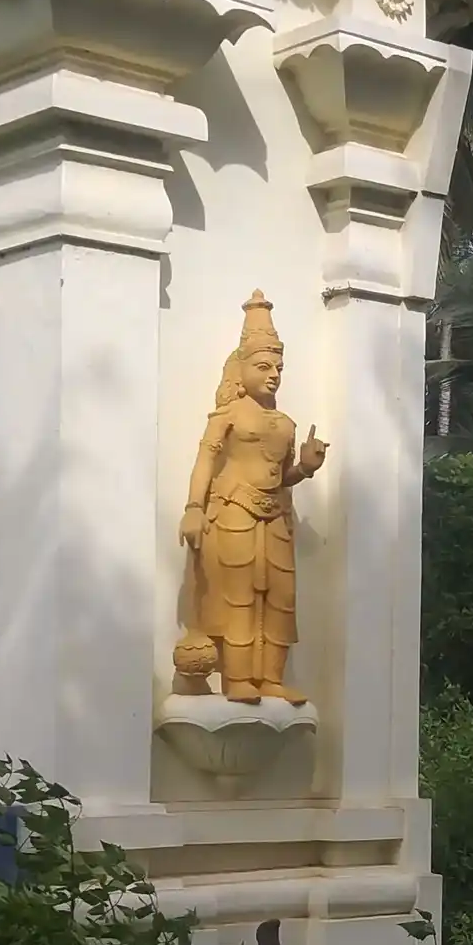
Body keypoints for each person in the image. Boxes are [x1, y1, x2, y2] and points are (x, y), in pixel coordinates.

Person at [176, 291, 329, 705]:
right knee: (238, 595)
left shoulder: (285, 423)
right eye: (263, 366)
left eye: (278, 368)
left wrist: (306, 467)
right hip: (233, 511)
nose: (273, 375)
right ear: (240, 368)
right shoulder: (227, 415)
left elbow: (282, 478)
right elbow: (205, 461)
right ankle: (239, 679)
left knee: (280, 597)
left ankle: (271, 678)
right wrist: (193, 509)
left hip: (275, 516)